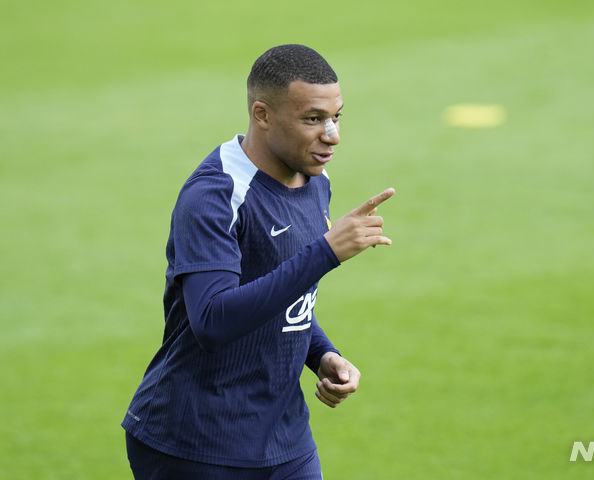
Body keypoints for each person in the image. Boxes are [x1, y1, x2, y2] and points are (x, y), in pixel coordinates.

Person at [121, 44, 395, 479]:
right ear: (262, 114)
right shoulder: (215, 195)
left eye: (336, 117)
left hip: (285, 440)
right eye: (313, 119)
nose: (332, 134)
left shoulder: (315, 182)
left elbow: (280, 293)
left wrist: (322, 354)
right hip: (195, 445)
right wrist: (326, 253)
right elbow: (213, 319)